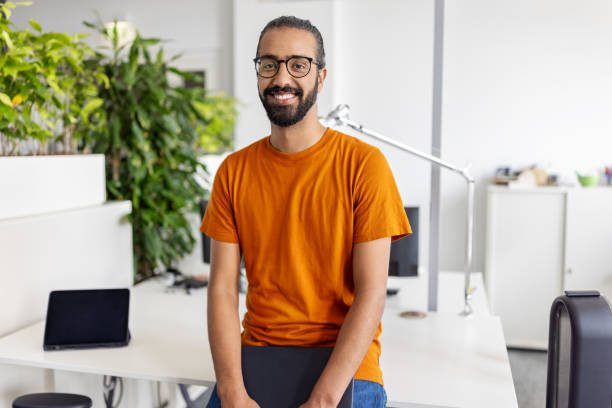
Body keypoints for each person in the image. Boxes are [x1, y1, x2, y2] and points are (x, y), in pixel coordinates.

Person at [201, 15, 411, 408]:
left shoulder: (364, 165)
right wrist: (231, 391)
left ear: (321, 76)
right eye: (269, 64)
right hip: (259, 357)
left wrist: (324, 399)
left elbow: (371, 293)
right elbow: (223, 289)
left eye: (298, 65)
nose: (282, 78)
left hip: (345, 365)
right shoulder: (233, 171)